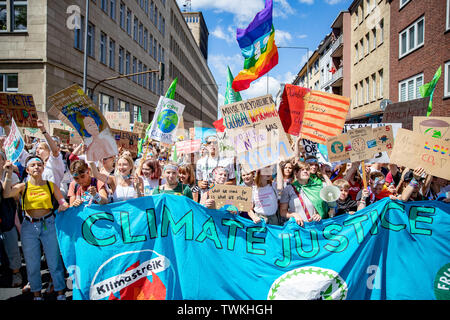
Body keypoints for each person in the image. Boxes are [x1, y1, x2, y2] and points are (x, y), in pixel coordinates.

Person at [3, 156, 68, 300]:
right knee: (32, 262)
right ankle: (37, 293)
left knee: (54, 261)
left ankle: (60, 292)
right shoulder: (23, 186)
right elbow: (6, 193)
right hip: (29, 227)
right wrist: (7, 173)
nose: (36, 167)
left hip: (49, 224)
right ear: (27, 170)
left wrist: (64, 205)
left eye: (39, 164)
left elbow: (62, 201)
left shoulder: (50, 185)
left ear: (43, 168)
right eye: (33, 165)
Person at [280, 162, 332, 226]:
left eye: (307, 169)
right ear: (296, 173)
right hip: (298, 227)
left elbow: (332, 192)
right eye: (302, 170)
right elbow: (282, 212)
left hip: (316, 226)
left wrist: (319, 214)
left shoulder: (318, 186)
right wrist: (294, 215)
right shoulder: (288, 189)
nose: (305, 171)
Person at [0, 151, 22, 288]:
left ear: (4, 161)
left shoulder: (12, 175)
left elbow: (13, 196)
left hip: (7, 215)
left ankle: (16, 272)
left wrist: (7, 175)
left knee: (11, 245)